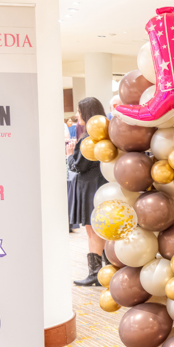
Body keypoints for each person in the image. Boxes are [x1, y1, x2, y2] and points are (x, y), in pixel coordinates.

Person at [69, 97, 108, 286]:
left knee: (93, 230)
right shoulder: (106, 134)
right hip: (101, 185)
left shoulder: (88, 138)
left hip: (90, 187)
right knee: (102, 229)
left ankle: (95, 274)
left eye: (79, 111)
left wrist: (70, 155)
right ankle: (105, 271)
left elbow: (78, 166)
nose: (77, 115)